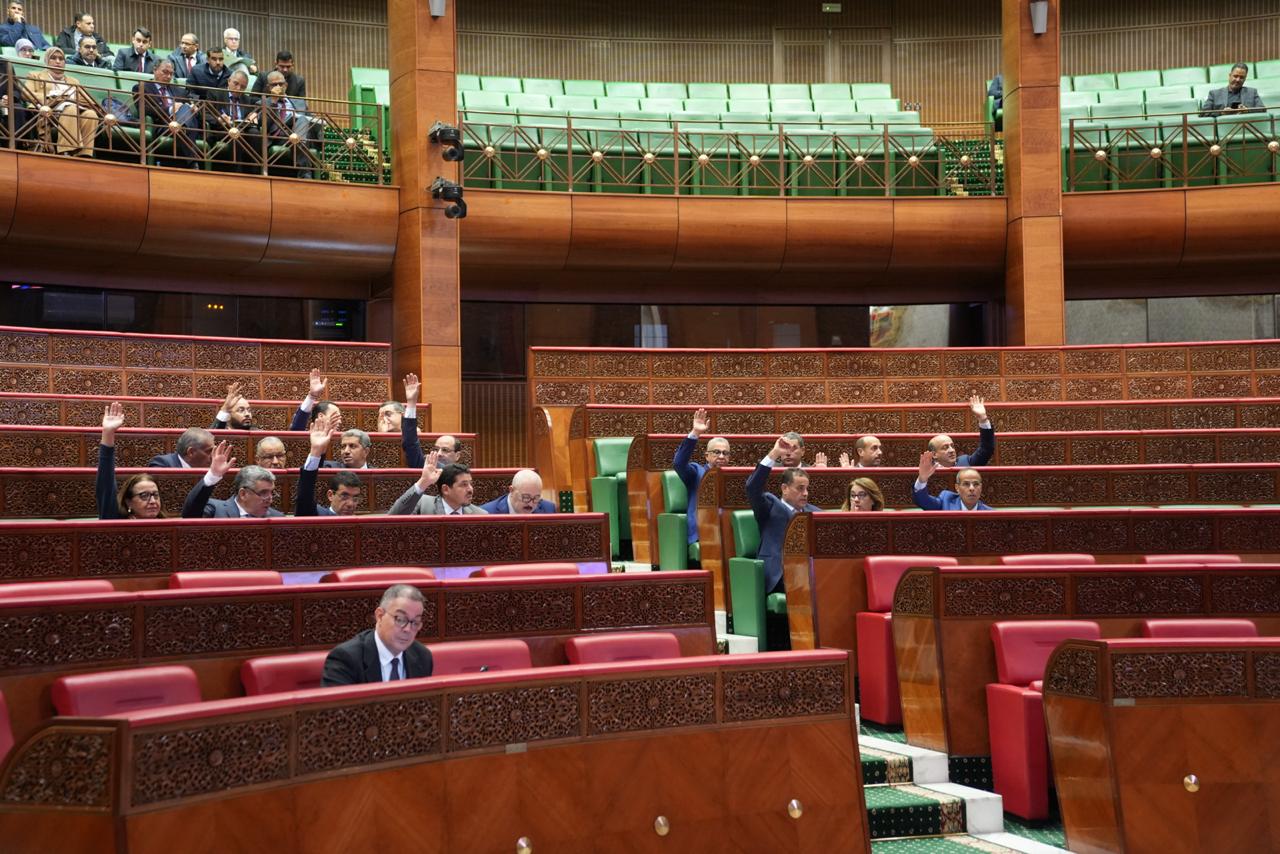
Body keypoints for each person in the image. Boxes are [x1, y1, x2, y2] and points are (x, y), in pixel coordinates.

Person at [746, 433, 821, 597]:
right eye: (800, 488)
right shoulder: (769, 507)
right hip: (778, 572)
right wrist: (774, 453)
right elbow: (752, 488)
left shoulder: (815, 513)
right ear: (784, 489)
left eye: (807, 489)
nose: (805, 493)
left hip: (808, 570)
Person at [321, 584, 433, 686]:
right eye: (400, 619)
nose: (408, 629)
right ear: (379, 616)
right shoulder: (346, 659)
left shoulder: (422, 657)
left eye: (415, 622)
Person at [97, 401, 173, 519]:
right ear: (129, 502)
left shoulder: (168, 526)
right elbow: (105, 481)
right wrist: (108, 433)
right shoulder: (115, 522)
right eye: (144, 496)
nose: (153, 501)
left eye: (155, 495)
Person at [671, 407, 730, 549]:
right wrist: (695, 433)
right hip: (702, 531)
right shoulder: (697, 472)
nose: (721, 456)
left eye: (725, 453)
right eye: (716, 452)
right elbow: (678, 463)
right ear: (707, 456)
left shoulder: (733, 478)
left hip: (727, 531)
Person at [24, 45, 99, 157]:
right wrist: (53, 97)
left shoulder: (73, 81)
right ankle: (66, 151)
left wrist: (70, 98)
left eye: (61, 59)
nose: (58, 61)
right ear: (47, 60)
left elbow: (86, 99)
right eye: (53, 58)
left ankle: (84, 154)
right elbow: (26, 93)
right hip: (48, 110)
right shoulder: (35, 75)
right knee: (71, 109)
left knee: (91, 114)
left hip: (73, 108)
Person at [135, 59, 201, 167]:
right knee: (186, 112)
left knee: (186, 108)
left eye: (171, 74)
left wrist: (194, 108)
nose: (168, 76)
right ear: (155, 70)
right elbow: (143, 109)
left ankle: (180, 127)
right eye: (165, 72)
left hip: (180, 124)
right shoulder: (142, 87)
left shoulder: (180, 91)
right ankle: (192, 161)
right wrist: (170, 109)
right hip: (162, 125)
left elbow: (192, 109)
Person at [296, 414, 363, 516]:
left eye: (355, 498)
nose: (350, 504)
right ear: (330, 495)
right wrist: (315, 452)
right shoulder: (318, 514)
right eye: (344, 496)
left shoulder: (360, 522)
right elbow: (304, 498)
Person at [181, 457, 284, 518]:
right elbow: (189, 514)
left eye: (271, 493)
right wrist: (213, 476)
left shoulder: (278, 517)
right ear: (243, 494)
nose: (270, 499)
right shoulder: (215, 510)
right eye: (263, 493)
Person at [388, 454, 488, 515]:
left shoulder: (480, 515)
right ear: (446, 489)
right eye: (464, 484)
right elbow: (393, 517)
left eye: (470, 484)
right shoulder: (423, 505)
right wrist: (423, 482)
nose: (470, 489)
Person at [208, 68, 261, 173]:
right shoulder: (216, 94)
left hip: (243, 129)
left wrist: (255, 114)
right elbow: (205, 113)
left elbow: (262, 103)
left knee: (255, 133)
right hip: (223, 130)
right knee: (236, 133)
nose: (238, 89)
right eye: (236, 84)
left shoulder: (246, 99)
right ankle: (237, 172)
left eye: (243, 87)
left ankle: (255, 172)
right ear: (229, 81)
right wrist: (219, 119)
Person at [927, 395, 995, 469]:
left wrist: (983, 418)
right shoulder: (927, 471)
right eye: (945, 447)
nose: (951, 450)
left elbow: (987, 448)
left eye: (952, 446)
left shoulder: (966, 461)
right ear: (934, 454)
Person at [913, 453, 992, 511]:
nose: (972, 488)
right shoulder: (946, 500)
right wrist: (922, 480)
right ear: (957, 488)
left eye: (976, 484)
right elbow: (924, 501)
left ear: (981, 488)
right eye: (966, 484)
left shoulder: (990, 513)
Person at [479, 469, 556, 514]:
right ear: (511, 491)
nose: (530, 504)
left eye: (536, 498)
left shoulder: (548, 509)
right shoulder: (487, 513)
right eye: (526, 497)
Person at [148, 427, 215, 468]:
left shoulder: (212, 467)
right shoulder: (162, 464)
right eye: (209, 451)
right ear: (191, 452)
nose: (213, 455)